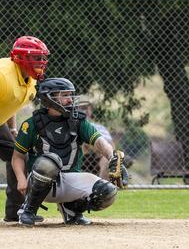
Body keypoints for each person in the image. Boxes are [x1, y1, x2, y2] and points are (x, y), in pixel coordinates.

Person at [12, 77, 125, 226]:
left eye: (71, 95)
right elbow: (18, 157)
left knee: (107, 192)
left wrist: (112, 158)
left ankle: (71, 210)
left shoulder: (78, 121)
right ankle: (29, 209)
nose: (70, 100)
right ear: (49, 98)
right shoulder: (31, 124)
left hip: (70, 179)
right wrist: (21, 178)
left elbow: (100, 141)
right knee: (50, 162)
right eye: (65, 95)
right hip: (41, 182)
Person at [0, 35, 49, 223]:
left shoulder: (31, 80)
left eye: (43, 58)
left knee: (18, 154)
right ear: (21, 58)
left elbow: (11, 103)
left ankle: (16, 211)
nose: (42, 62)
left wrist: (12, 130)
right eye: (37, 58)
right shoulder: (3, 75)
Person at [77, 95, 115, 178]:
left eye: (88, 108)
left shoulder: (101, 128)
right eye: (82, 108)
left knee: (109, 155)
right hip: (82, 155)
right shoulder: (72, 126)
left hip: (99, 157)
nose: (86, 111)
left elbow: (111, 146)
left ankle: (102, 182)